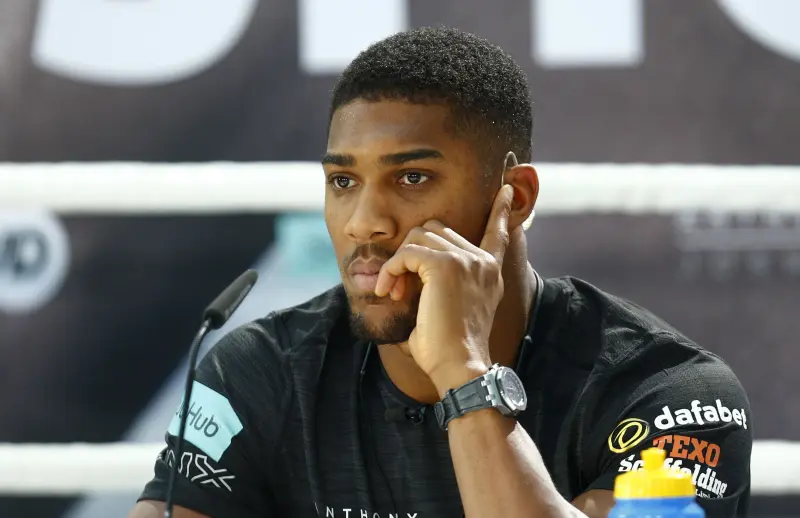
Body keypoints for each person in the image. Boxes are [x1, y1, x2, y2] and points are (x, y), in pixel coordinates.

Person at [129, 27, 751, 518]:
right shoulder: (261, 372)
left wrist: (465, 373)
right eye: (342, 181)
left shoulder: (672, 396)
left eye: (411, 177)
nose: (364, 223)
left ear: (515, 198)